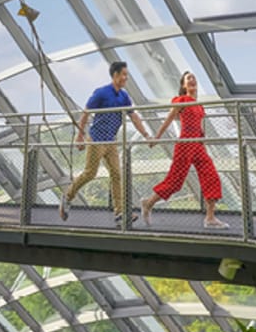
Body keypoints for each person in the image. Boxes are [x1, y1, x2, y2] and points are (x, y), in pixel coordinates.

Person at [60, 60, 151, 222]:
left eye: (126, 75)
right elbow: (86, 113)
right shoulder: (101, 93)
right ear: (115, 75)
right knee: (90, 173)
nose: (126, 78)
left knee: (116, 174)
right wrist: (80, 136)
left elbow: (134, 116)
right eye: (124, 74)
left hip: (111, 141)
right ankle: (67, 197)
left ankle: (120, 212)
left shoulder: (124, 96)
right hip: (96, 140)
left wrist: (146, 134)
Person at [140, 70, 227, 229]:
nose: (192, 80)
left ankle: (210, 217)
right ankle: (148, 203)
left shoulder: (200, 106)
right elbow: (168, 120)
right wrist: (157, 138)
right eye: (188, 79)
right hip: (185, 143)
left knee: (212, 177)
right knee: (175, 182)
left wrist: (204, 147)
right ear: (183, 85)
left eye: (194, 77)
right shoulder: (181, 100)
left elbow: (201, 128)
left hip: (198, 145)